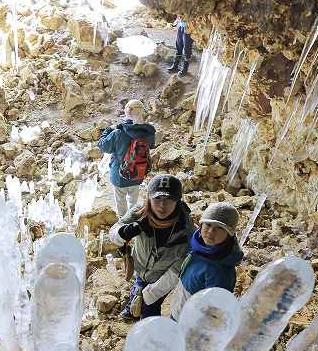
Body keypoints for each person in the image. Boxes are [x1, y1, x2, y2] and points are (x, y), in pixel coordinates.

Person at [109, 174, 194, 319]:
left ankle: (148, 327)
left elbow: (175, 271)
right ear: (149, 198)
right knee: (137, 288)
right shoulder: (140, 212)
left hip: (161, 277)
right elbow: (113, 233)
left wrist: (152, 293)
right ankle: (131, 310)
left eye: (168, 199)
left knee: (149, 306)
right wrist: (124, 232)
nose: (162, 205)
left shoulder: (186, 231)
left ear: (177, 201)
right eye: (157, 199)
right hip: (140, 267)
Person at [169, 201, 243, 320]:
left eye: (220, 228)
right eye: (208, 224)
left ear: (229, 233)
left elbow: (214, 311)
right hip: (179, 313)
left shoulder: (221, 271)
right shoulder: (197, 249)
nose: (210, 231)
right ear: (201, 225)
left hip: (191, 325)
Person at [98, 99, 156, 218]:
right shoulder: (148, 132)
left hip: (119, 175)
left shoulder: (118, 132)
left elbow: (103, 146)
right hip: (138, 173)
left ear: (127, 112)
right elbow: (151, 146)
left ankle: (122, 222)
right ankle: (133, 218)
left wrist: (107, 130)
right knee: (133, 200)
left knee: (120, 202)